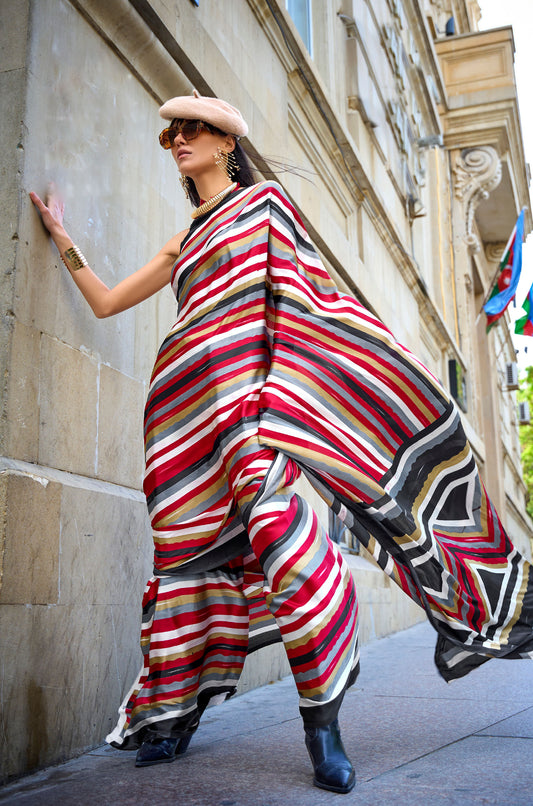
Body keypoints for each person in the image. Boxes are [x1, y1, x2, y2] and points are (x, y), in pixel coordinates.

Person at [30, 91, 533, 795]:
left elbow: (314, 304)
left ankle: (322, 726)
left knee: (289, 554)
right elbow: (108, 300)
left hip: (248, 415)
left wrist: (357, 371)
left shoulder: (265, 207)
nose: (179, 141)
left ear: (226, 144)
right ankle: (171, 715)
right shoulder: (182, 239)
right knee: (183, 566)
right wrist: (62, 237)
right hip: (178, 419)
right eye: (172, 134)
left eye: (193, 130)